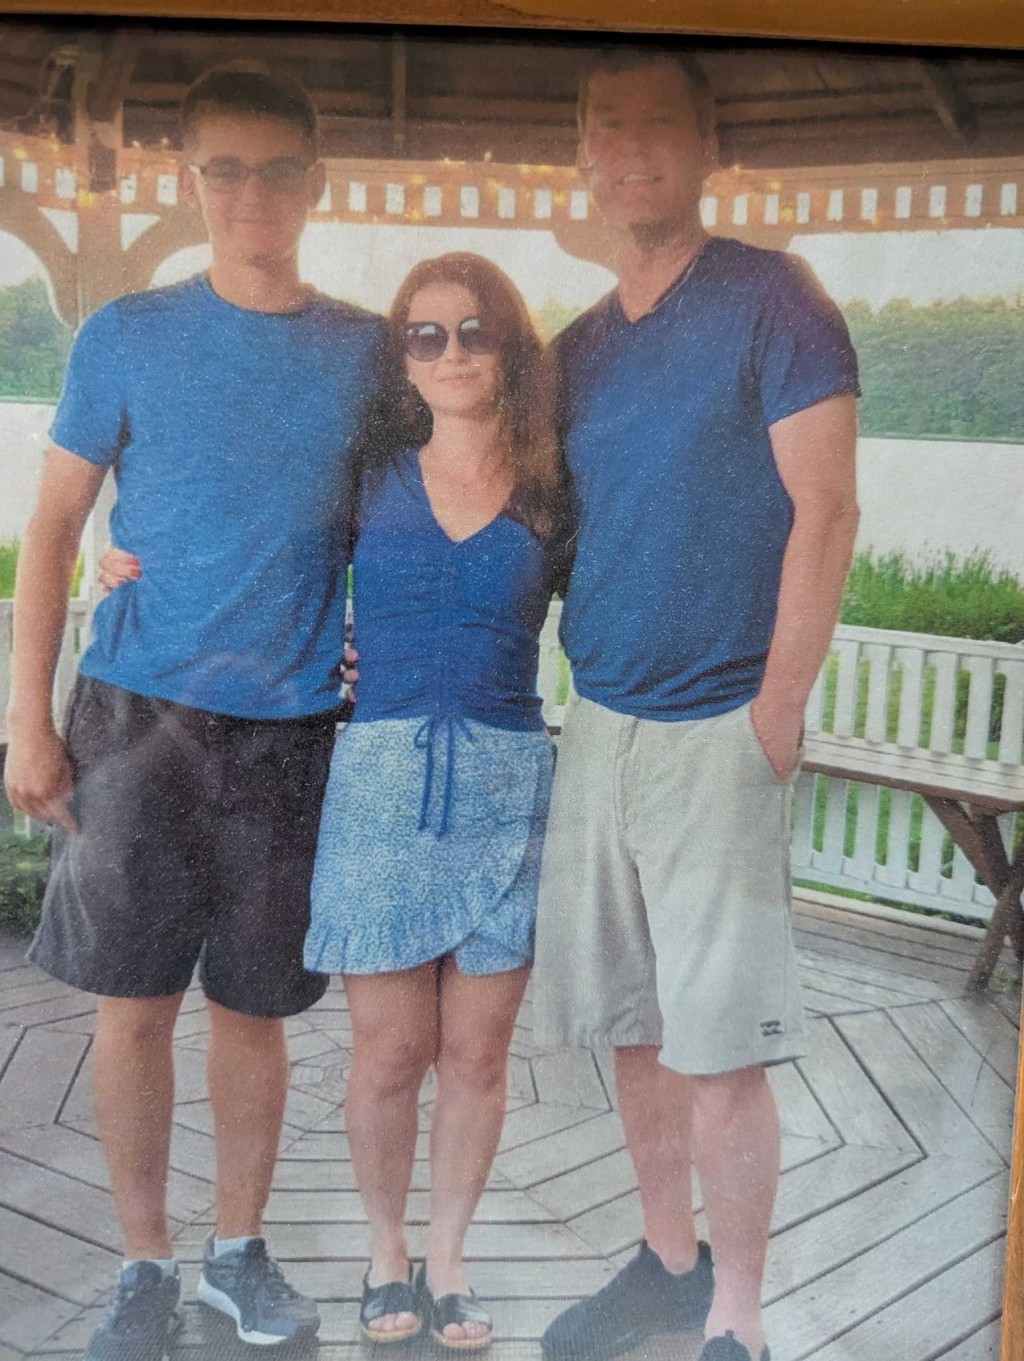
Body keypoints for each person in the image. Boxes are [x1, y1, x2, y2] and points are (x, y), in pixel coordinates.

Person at [4, 65, 382, 1361]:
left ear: (316, 183)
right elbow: (53, 527)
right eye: (224, 168)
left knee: (254, 1010)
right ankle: (142, 1267)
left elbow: (414, 520)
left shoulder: (368, 350)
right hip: (134, 717)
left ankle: (235, 1254)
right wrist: (28, 721)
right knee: (132, 1006)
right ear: (191, 181)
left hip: (291, 731)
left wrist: (376, 641)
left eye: (278, 168)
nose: (251, 192)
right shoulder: (126, 333)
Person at [534, 47, 860, 1361]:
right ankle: (669, 1262)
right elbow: (513, 515)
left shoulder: (776, 299)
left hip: (720, 722)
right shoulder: (574, 350)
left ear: (706, 142)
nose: (631, 148)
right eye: (606, 126)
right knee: (633, 1028)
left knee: (721, 1048)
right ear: (582, 153)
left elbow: (826, 509)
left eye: (658, 123)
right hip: (599, 722)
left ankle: (737, 1315)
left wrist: (777, 706)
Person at [307, 252, 561, 1350]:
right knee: (388, 1054)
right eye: (425, 334)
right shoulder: (366, 476)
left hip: (508, 783)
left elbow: (632, 596)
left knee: (478, 1056)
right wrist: (124, 560)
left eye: (473, 331)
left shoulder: (554, 491)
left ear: (509, 347)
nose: (450, 353)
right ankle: (385, 1254)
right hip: (380, 784)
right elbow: (272, 570)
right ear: (402, 357)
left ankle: (448, 1258)